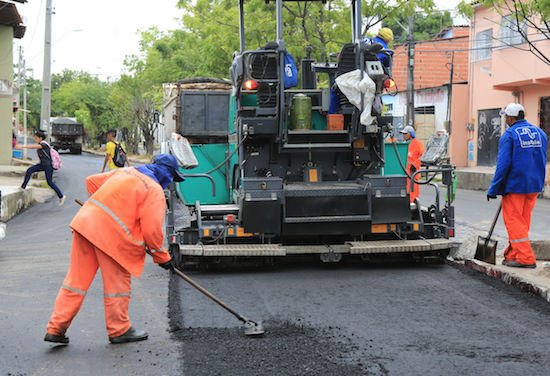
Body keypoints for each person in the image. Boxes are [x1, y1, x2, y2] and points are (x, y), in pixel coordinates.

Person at [44, 154, 184, 344]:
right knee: (116, 285)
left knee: (75, 282)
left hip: (86, 225)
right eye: (171, 179)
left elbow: (91, 181)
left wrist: (100, 208)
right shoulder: (154, 191)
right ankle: (119, 330)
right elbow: (152, 232)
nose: (169, 184)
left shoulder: (127, 171)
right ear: (167, 174)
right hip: (112, 239)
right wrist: (162, 257)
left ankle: (55, 328)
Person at [487, 103, 548, 269]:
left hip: (516, 185)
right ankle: (513, 254)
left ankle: (526, 258)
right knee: (522, 222)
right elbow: (542, 159)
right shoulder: (540, 133)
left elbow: (503, 164)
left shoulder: (509, 135)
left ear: (510, 118)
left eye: (506, 117)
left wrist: (494, 188)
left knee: (514, 221)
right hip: (534, 185)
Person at [15, 130, 66, 206]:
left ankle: (61, 196)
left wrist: (22, 146)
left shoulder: (44, 144)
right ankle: (23, 187)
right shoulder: (41, 145)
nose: (35, 140)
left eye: (36, 138)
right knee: (29, 170)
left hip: (48, 166)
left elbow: (33, 147)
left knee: (50, 182)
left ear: (40, 138)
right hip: (42, 165)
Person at [400, 125, 425, 203]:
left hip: (413, 172)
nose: (403, 136)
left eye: (405, 134)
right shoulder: (405, 144)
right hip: (405, 172)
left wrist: (415, 165)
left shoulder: (417, 143)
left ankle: (413, 205)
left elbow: (423, 155)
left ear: (410, 134)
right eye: (403, 134)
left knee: (413, 190)